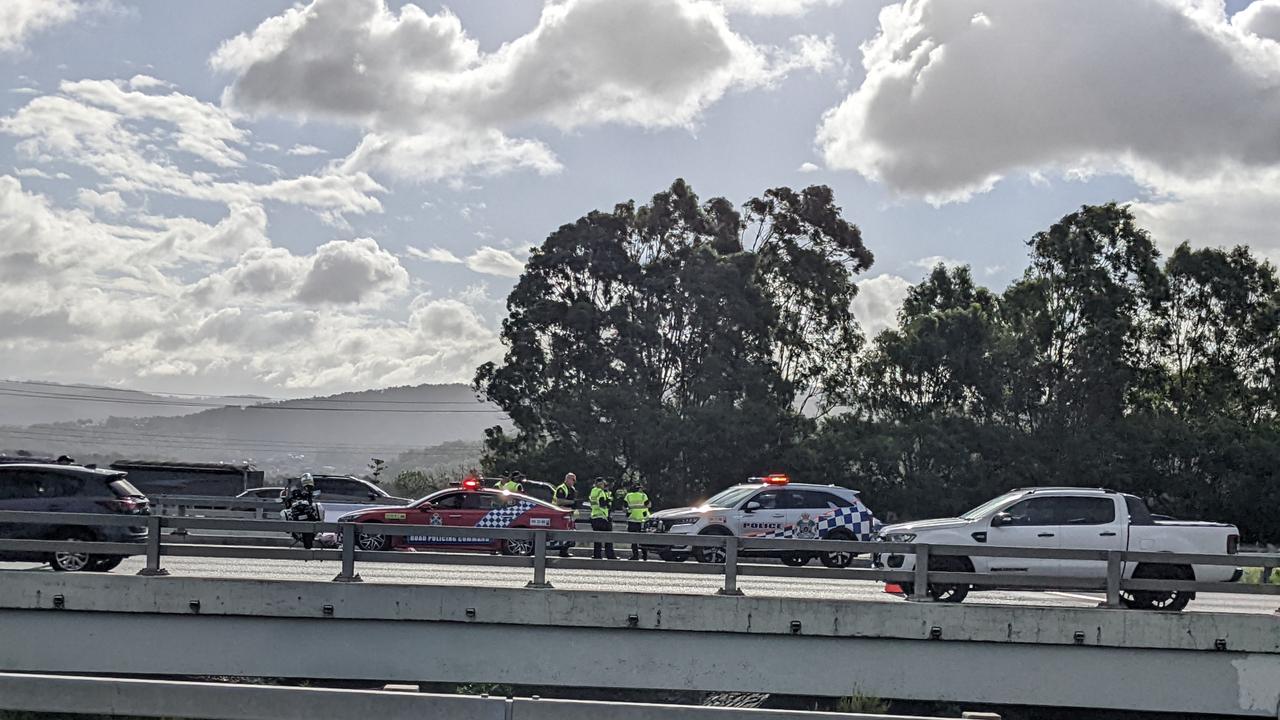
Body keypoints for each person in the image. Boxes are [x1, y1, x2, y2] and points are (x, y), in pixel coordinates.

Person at [588, 477, 616, 559]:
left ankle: (597, 555)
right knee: (608, 538)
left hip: (594, 516)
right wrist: (608, 502)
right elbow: (602, 504)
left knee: (597, 538)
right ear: (601, 484)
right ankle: (610, 555)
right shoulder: (600, 491)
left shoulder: (593, 491)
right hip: (603, 517)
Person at [624, 481, 652, 560]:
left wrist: (629, 511)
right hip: (643, 520)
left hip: (632, 520)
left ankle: (635, 556)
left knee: (633, 540)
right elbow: (649, 505)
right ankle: (644, 555)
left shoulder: (628, 496)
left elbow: (624, 508)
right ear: (639, 489)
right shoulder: (643, 496)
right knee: (643, 539)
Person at [553, 473, 577, 557]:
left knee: (569, 532)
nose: (574, 482)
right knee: (563, 532)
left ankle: (565, 550)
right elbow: (559, 501)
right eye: (573, 479)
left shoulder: (572, 489)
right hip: (559, 513)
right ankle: (562, 550)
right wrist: (572, 502)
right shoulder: (561, 488)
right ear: (567, 479)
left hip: (568, 513)